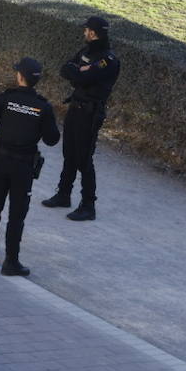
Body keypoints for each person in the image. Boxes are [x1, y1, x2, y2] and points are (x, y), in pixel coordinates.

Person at [0, 57, 60, 277]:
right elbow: (52, 139)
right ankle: (11, 262)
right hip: (23, 167)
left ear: (20, 77)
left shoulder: (5, 99)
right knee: (17, 215)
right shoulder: (42, 106)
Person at [42, 16, 121, 221]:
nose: (84, 33)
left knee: (84, 159)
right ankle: (63, 194)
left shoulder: (108, 60)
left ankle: (88, 205)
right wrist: (80, 71)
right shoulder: (86, 52)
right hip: (76, 108)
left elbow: (81, 76)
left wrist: (80, 71)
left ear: (93, 32)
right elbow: (65, 69)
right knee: (69, 153)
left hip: (90, 113)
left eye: (86, 30)